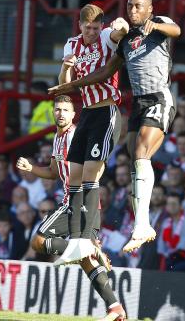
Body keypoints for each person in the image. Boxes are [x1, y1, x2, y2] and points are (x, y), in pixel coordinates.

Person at [49, 0, 181, 254]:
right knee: (135, 159)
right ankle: (142, 225)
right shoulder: (126, 40)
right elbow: (106, 71)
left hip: (160, 97)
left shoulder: (159, 25)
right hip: (138, 103)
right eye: (130, 6)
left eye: (138, 7)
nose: (133, 11)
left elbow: (176, 30)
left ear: (150, 8)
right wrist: (73, 84)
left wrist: (156, 25)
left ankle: (142, 225)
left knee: (142, 155)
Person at [16, 94, 125, 320]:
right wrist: (31, 168)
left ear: (74, 114)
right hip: (76, 203)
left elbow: (98, 165)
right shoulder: (57, 138)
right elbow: (53, 172)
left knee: (38, 241)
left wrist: (89, 184)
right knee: (85, 260)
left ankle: (90, 249)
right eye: (57, 110)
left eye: (66, 110)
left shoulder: (77, 134)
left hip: (79, 202)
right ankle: (115, 307)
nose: (61, 113)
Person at [158, 194, 185, 270]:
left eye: (174, 204)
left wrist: (168, 254)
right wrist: (165, 254)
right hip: (168, 257)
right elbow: (161, 246)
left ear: (181, 206)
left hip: (182, 257)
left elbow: (183, 246)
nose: (171, 206)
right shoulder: (166, 222)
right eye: (169, 204)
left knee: (172, 260)